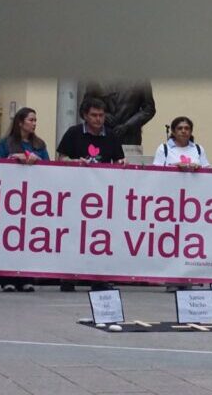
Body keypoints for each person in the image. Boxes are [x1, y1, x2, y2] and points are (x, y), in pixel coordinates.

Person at [57, 98, 125, 292]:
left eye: (101, 115)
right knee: (74, 234)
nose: (98, 119)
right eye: (94, 115)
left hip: (101, 196)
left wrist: (121, 164)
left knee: (100, 236)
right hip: (76, 193)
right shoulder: (74, 133)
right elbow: (61, 157)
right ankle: (69, 276)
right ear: (85, 116)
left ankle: (99, 276)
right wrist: (74, 162)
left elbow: (118, 160)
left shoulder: (111, 136)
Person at [151, 116, 210, 293]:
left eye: (187, 128)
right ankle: (171, 277)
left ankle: (187, 276)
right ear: (174, 131)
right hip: (170, 200)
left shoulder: (198, 149)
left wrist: (197, 168)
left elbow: (208, 170)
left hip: (193, 200)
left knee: (189, 240)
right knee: (171, 239)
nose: (184, 131)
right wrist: (176, 166)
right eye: (180, 128)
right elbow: (156, 171)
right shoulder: (164, 149)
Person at [0, 108, 49, 292]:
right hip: (11, 196)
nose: (34, 123)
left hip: (33, 197)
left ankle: (27, 277)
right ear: (20, 122)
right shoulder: (6, 143)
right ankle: (7, 278)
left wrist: (36, 160)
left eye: (35, 120)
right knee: (9, 236)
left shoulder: (39, 144)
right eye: (30, 120)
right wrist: (14, 158)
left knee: (28, 237)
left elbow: (49, 166)